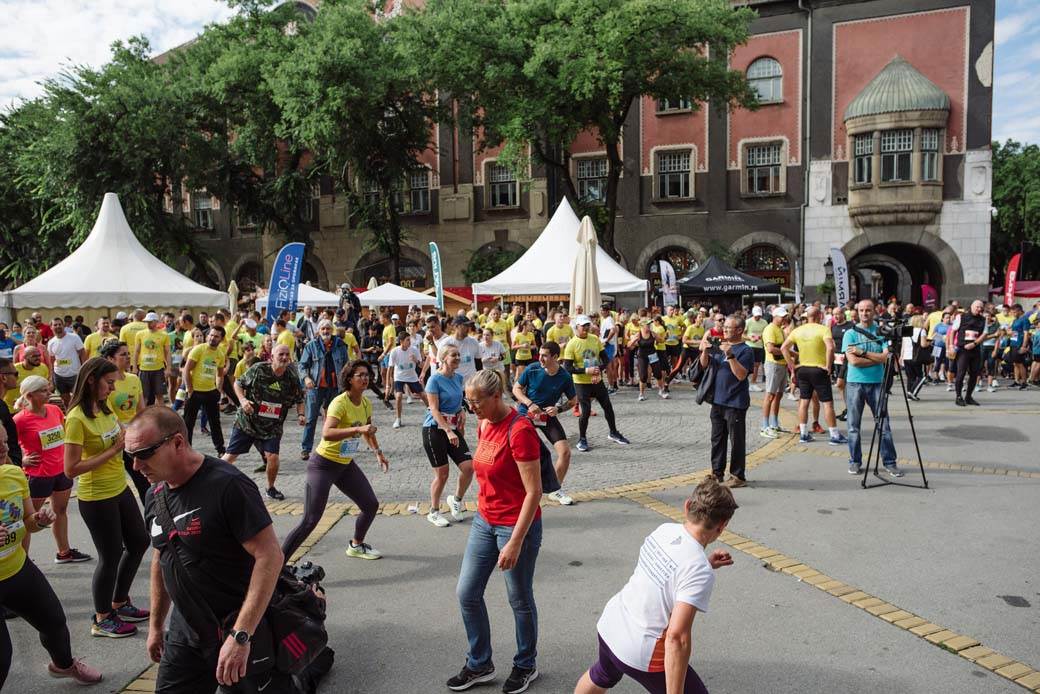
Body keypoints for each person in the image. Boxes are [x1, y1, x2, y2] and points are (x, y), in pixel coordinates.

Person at [126, 408, 290, 694]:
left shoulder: (228, 485)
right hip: (184, 631)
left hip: (234, 626)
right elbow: (161, 557)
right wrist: (155, 626)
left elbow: (270, 555)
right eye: (130, 456)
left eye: (145, 453)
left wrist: (241, 636)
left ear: (177, 443)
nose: (137, 466)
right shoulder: (155, 495)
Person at [574, 478, 737, 694]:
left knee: (602, 674)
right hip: (641, 649)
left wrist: (706, 564)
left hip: (611, 625)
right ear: (723, 525)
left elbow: (664, 577)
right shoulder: (697, 569)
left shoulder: (665, 530)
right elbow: (676, 638)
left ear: (687, 505)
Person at [448, 370, 542, 694]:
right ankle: (480, 663)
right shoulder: (484, 422)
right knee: (467, 593)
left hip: (516, 527)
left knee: (519, 598)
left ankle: (526, 664)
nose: (471, 407)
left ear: (496, 396)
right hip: (484, 521)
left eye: (476, 402)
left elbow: (534, 492)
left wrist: (515, 542)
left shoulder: (520, 431)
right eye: (469, 401)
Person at [0, 426, 104, 686]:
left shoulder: (13, 474)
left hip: (17, 569)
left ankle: (64, 665)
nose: (3, 449)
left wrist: (40, 520)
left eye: (4, 442)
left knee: (54, 622)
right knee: (2, 657)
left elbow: (27, 521)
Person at [63, 357, 150, 637]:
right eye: (109, 382)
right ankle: (102, 618)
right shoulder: (76, 418)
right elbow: (70, 469)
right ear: (91, 380)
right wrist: (113, 451)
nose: (112, 388)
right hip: (95, 495)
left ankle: (120, 601)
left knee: (139, 541)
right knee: (110, 555)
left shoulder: (104, 407)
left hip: (119, 487)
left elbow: (118, 436)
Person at [282, 360, 390, 562]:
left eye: (367, 375)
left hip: (345, 465)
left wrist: (378, 452)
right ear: (350, 379)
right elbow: (327, 433)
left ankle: (356, 545)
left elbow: (367, 430)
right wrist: (357, 430)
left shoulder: (365, 403)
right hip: (323, 465)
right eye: (360, 375)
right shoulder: (340, 402)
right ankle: (278, 563)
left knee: (370, 505)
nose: (366, 378)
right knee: (310, 520)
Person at [12, 376, 92, 563]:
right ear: (29, 395)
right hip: (38, 475)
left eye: (49, 390)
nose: (49, 394)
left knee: (60, 510)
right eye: (43, 391)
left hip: (61, 471)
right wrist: (22, 460)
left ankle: (64, 552)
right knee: (30, 519)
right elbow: (9, 445)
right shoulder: (20, 420)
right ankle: (23, 560)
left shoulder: (55, 410)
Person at [222, 344, 305, 501]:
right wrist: (243, 400)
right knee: (230, 456)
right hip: (248, 421)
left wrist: (301, 414)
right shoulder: (259, 369)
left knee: (272, 457)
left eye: (287, 354)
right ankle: (212, 483)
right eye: (281, 354)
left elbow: (300, 399)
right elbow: (238, 383)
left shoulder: (292, 377)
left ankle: (270, 488)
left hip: (272, 426)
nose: (285, 357)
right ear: (272, 357)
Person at [841, 300, 902, 477]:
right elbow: (853, 361)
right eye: (861, 310)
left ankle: (890, 462)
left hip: (877, 383)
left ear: (874, 311)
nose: (865, 313)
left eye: (868, 310)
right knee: (853, 426)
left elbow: (887, 358)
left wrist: (864, 354)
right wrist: (876, 358)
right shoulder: (850, 334)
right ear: (857, 312)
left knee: (884, 425)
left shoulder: (882, 332)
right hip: (854, 383)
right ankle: (855, 461)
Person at [513, 341, 578, 506]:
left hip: (546, 417)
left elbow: (573, 401)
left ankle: (555, 490)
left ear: (555, 357)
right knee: (529, 454)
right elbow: (516, 389)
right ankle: (520, 491)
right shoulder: (532, 368)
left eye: (544, 355)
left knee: (565, 452)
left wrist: (558, 409)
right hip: (526, 414)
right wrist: (529, 403)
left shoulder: (564, 376)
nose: (540, 358)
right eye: (540, 354)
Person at [698, 315, 755, 488]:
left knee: (736, 440)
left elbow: (741, 375)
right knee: (717, 439)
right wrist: (705, 351)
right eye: (724, 327)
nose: (725, 330)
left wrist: (730, 356)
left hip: (735, 403)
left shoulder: (745, 350)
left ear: (739, 330)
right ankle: (717, 473)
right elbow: (704, 366)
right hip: (718, 401)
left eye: (729, 327)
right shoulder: (719, 345)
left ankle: (738, 476)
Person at [423, 345, 475, 528]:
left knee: (469, 468)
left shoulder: (458, 378)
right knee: (442, 474)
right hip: (435, 430)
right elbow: (434, 410)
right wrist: (448, 430)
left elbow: (457, 403)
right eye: (454, 355)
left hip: (453, 428)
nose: (458, 358)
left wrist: (461, 412)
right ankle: (434, 511)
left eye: (459, 355)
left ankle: (456, 499)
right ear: (444, 358)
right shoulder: (434, 380)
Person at [781, 306, 846, 446]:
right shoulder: (823, 329)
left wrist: (792, 365)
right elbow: (830, 347)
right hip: (818, 369)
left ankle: (804, 433)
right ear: (820, 316)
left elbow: (783, 348)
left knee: (804, 401)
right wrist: (828, 366)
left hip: (802, 369)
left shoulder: (798, 330)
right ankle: (834, 435)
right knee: (827, 403)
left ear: (807, 316)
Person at [563, 316, 629, 452]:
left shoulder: (594, 339)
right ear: (576, 327)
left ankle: (613, 433)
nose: (586, 328)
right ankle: (582, 439)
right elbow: (568, 368)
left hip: (597, 380)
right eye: (583, 326)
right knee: (585, 411)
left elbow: (605, 358)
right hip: (581, 383)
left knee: (608, 407)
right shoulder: (571, 344)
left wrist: (599, 370)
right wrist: (586, 370)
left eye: (588, 325)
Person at [100, 340, 151, 504]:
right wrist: (125, 433)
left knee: (144, 482)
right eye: (123, 354)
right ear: (110, 359)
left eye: (129, 354)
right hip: (115, 438)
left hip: (134, 438)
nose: (128, 357)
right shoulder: (105, 383)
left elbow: (141, 410)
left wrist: (141, 431)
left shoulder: (134, 379)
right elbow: (109, 414)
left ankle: (152, 519)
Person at [298, 320, 351, 461]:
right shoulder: (311, 346)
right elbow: (302, 366)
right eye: (323, 328)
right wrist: (306, 378)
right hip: (315, 387)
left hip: (335, 387)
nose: (325, 331)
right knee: (311, 419)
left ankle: (332, 446)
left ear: (332, 330)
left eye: (328, 328)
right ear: (319, 330)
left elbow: (347, 366)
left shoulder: (340, 345)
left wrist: (347, 384)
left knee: (335, 418)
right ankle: (306, 448)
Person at [182, 325, 228, 456]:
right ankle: (186, 450)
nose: (212, 338)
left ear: (221, 339)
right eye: (211, 335)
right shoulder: (199, 349)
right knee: (188, 423)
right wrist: (189, 389)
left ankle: (220, 449)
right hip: (195, 392)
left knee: (215, 423)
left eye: (216, 336)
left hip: (210, 392)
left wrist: (218, 390)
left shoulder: (220, 354)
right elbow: (186, 370)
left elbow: (220, 374)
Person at [950, 299, 986, 406]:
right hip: (962, 349)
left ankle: (969, 396)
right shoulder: (961, 317)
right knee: (960, 373)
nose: (979, 309)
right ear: (972, 306)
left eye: (981, 307)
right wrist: (951, 345)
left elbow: (984, 335)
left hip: (975, 349)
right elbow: (953, 331)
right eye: (977, 307)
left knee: (974, 374)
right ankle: (958, 396)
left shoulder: (983, 319)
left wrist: (974, 344)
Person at [760, 306, 789, 438]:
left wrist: (792, 354)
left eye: (785, 316)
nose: (784, 318)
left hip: (781, 364)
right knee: (770, 395)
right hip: (773, 365)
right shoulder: (770, 329)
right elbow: (771, 349)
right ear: (775, 316)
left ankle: (774, 424)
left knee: (778, 395)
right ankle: (764, 426)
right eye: (782, 316)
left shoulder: (780, 329)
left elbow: (784, 348)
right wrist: (786, 352)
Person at [388, 333, 427, 429]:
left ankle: (434, 415)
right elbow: (390, 368)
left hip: (412, 377)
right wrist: (388, 385)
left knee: (423, 395)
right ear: (401, 341)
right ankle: (398, 419)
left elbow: (422, 365)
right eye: (407, 340)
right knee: (399, 396)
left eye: (410, 339)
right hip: (399, 377)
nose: (410, 342)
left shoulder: (414, 350)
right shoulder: (394, 351)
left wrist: (416, 360)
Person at [134, 312, 173, 406]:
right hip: (144, 369)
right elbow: (136, 351)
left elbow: (167, 352)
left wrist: (168, 368)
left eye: (150, 322)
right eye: (146, 321)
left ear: (156, 322)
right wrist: (135, 367)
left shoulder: (164, 335)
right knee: (144, 396)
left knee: (159, 396)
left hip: (158, 369)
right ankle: (143, 418)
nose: (148, 324)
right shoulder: (140, 334)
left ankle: (161, 418)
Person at [48, 317, 87, 410]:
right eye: (55, 325)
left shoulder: (74, 337)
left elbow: (82, 353)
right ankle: (69, 414)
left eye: (59, 324)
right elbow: (52, 359)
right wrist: (51, 375)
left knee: (80, 398)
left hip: (75, 374)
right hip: (59, 375)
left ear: (63, 326)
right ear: (51, 327)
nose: (58, 326)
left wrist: (84, 369)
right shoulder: (51, 343)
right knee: (65, 400)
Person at [629, 321, 665, 401]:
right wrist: (633, 341)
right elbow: (629, 345)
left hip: (652, 354)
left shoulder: (653, 333)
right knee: (643, 376)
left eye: (650, 325)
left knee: (658, 373)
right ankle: (641, 394)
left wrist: (660, 338)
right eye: (647, 325)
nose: (649, 326)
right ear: (642, 326)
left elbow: (661, 341)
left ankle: (661, 391)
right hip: (642, 356)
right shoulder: (638, 334)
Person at [743, 305, 768, 390]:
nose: (757, 317)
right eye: (756, 315)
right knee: (747, 365)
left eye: (759, 315)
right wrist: (750, 338)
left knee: (757, 365)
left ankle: (753, 383)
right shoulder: (748, 322)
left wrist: (761, 337)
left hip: (759, 345)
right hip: (749, 345)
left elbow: (766, 333)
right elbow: (743, 334)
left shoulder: (764, 322)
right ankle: (744, 382)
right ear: (753, 314)